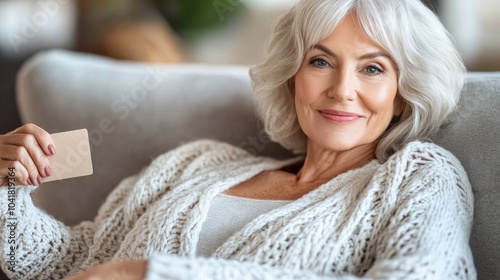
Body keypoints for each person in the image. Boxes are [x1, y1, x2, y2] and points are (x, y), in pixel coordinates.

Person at [0, 0, 475, 279]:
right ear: (293, 78)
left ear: (402, 94)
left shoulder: (419, 175)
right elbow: (73, 263)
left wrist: (157, 274)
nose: (341, 89)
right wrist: (8, 190)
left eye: (372, 68)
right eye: (320, 61)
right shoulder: (196, 164)